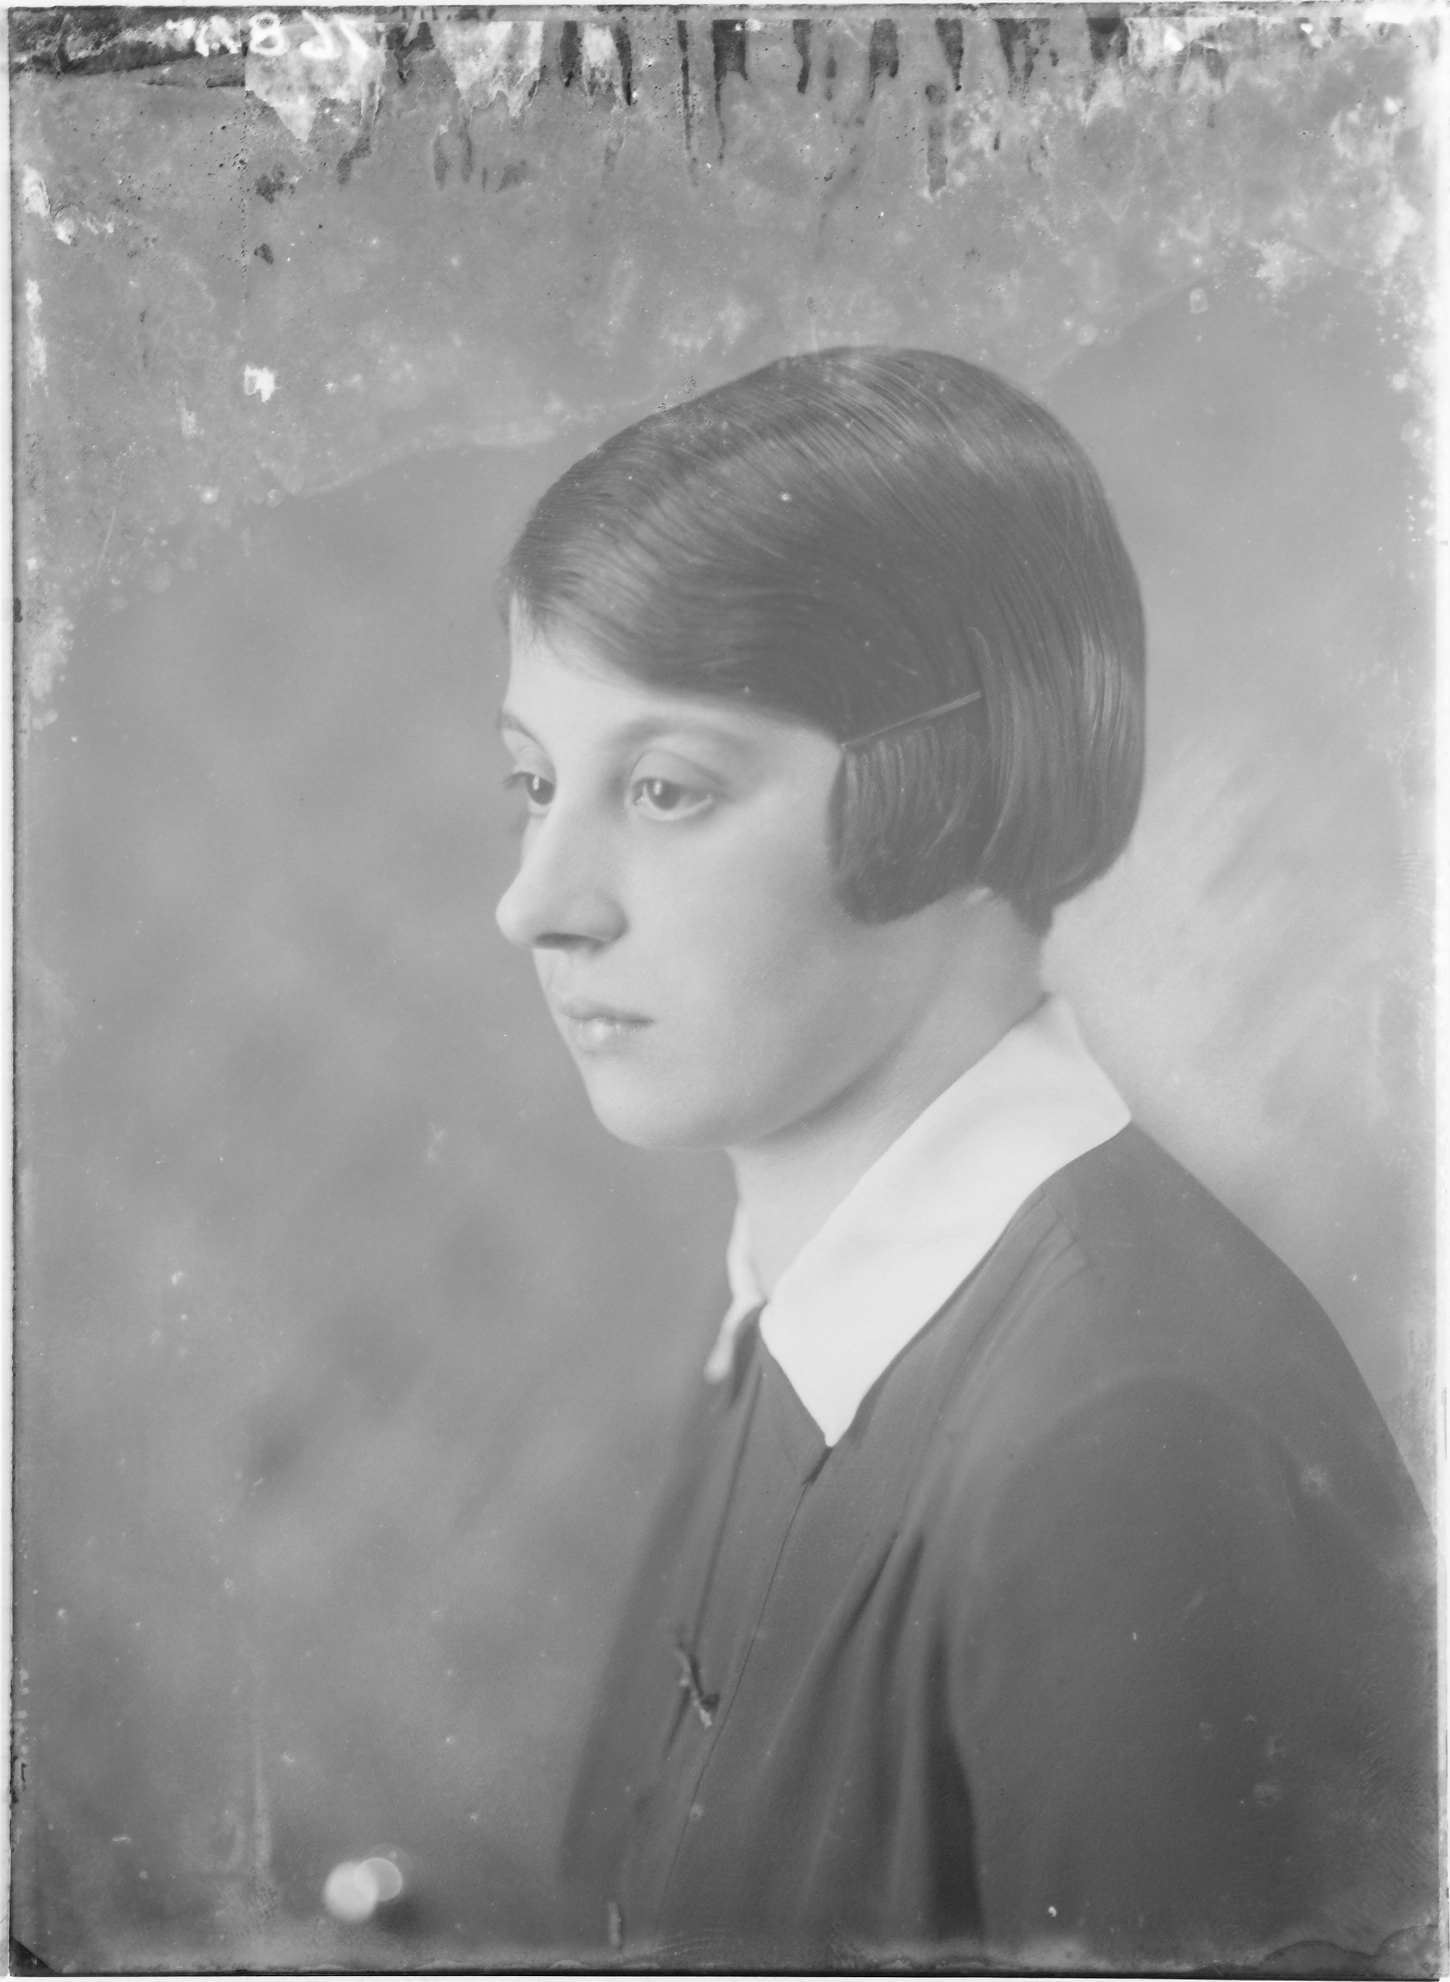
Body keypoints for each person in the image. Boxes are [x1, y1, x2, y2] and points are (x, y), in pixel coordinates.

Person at [491, 349, 1437, 1972]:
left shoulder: (1128, 1440)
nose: (535, 901)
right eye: (531, 784)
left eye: (664, 788)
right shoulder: (794, 1319)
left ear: (940, 794)